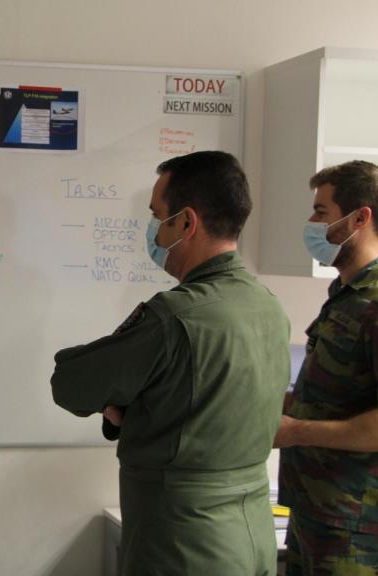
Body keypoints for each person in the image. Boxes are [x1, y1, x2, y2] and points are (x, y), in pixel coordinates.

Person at [51, 150, 291, 575]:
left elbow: (71, 383)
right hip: (251, 537)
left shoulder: (175, 316)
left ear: (186, 222)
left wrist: (124, 403)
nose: (153, 231)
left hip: (186, 544)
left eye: (156, 216)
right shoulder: (268, 307)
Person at [275, 160, 378, 575]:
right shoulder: (348, 296)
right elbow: (327, 399)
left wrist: (295, 431)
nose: (312, 223)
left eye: (321, 212)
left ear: (360, 218)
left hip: (352, 527)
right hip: (315, 511)